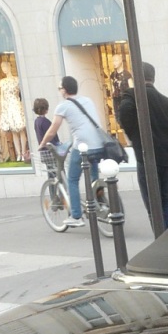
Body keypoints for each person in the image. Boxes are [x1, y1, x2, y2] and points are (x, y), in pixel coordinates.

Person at [116, 62, 168, 232]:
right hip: (166, 160)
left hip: (147, 159)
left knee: (152, 205)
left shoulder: (132, 97)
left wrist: (135, 135)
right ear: (153, 77)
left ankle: (162, 241)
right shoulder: (167, 102)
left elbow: (124, 117)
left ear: (135, 78)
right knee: (165, 199)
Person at [37, 76, 108, 228]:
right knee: (93, 178)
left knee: (72, 180)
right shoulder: (88, 100)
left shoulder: (63, 106)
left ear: (64, 90)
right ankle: (100, 203)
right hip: (99, 145)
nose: (60, 91)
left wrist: (42, 143)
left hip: (83, 147)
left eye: (60, 88)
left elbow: (52, 130)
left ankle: (76, 216)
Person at [0, 60, 28, 162]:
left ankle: (24, 153)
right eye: (2, 67)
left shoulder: (16, 80)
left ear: (9, 66)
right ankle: (18, 153)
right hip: (8, 106)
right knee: (14, 131)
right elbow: (2, 96)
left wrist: (23, 106)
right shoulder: (2, 82)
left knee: (20, 129)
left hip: (16, 104)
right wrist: (3, 109)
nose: (4, 69)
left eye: (5, 67)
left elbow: (22, 94)